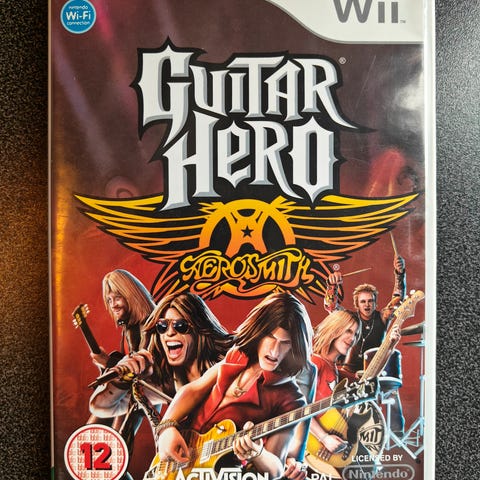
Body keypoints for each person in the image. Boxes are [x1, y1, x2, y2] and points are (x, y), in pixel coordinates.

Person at [154, 292, 313, 479]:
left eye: (285, 343)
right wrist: (166, 428)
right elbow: (194, 389)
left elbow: (276, 468)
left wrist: (258, 453)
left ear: (295, 347)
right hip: (180, 455)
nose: (274, 351)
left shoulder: (290, 398)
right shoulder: (237, 356)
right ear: (258, 332)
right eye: (270, 337)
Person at [89, 291, 233, 418]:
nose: (169, 333)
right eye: (162, 326)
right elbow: (101, 407)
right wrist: (121, 381)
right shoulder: (167, 383)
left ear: (200, 329)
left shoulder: (230, 365)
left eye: (180, 325)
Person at [323, 256, 405, 434]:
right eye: (363, 301)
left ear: (375, 302)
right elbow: (331, 306)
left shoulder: (382, 317)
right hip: (348, 372)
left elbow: (398, 300)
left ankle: (395, 436)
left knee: (392, 394)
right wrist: (332, 286)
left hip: (375, 373)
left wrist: (399, 274)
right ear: (357, 304)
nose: (367, 305)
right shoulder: (350, 319)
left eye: (370, 301)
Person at [91, 269, 155, 370]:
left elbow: (144, 370)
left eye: (117, 298)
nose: (113, 305)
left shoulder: (151, 326)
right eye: (109, 300)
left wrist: (108, 362)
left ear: (131, 296)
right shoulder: (128, 327)